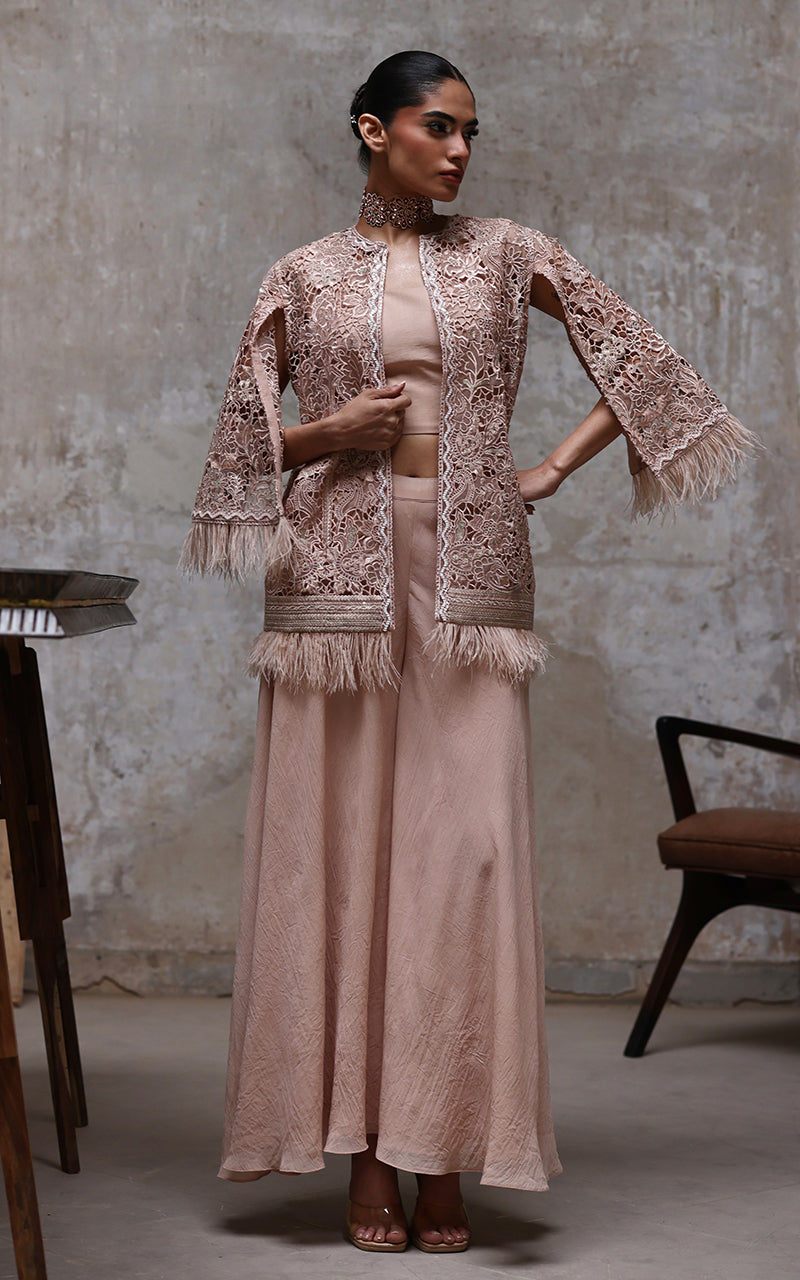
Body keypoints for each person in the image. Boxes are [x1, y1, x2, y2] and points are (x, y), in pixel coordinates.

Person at [182, 51, 755, 1254]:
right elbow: (237, 450)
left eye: (468, 133)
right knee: (340, 859)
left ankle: (442, 1147)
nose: (458, 152)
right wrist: (328, 431)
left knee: (463, 858)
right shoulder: (300, 272)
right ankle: (364, 1155)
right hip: (333, 588)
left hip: (470, 576)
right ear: (371, 129)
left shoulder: (506, 252)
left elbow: (644, 363)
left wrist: (544, 468)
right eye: (437, 127)